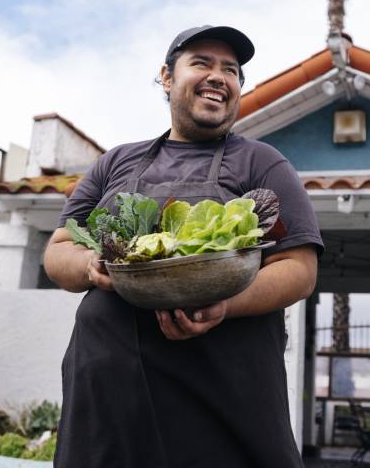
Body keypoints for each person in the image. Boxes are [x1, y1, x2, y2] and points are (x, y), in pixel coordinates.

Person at [43, 25, 323, 467]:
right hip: (110, 391)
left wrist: (225, 304)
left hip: (222, 392)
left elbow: (299, 268)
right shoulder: (117, 161)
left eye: (231, 70)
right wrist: (92, 264)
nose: (219, 76)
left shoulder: (261, 162)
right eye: (202, 63)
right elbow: (59, 249)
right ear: (167, 77)